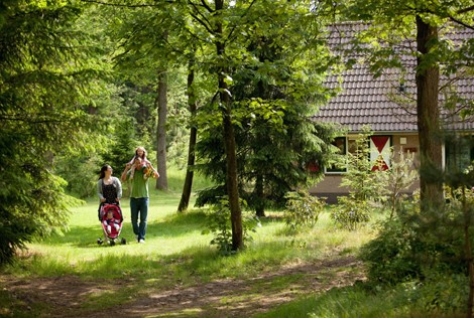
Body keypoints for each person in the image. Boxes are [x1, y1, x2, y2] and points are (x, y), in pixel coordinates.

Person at [121, 156, 159, 243]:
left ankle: (141, 237)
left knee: (143, 219)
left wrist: (151, 167)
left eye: (139, 163)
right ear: (134, 163)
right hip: (133, 199)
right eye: (136, 163)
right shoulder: (132, 172)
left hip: (144, 198)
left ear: (142, 163)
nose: (138, 164)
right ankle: (138, 233)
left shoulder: (145, 170)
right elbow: (123, 179)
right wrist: (126, 169)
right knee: (134, 220)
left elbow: (156, 176)